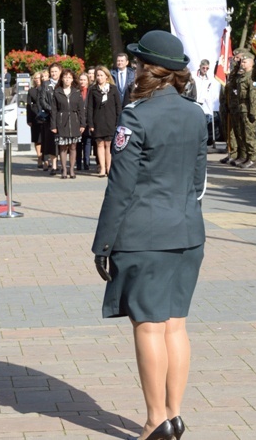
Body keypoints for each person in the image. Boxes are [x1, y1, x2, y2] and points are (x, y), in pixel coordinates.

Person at [92, 30, 207, 440]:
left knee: (148, 326)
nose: (135, 68)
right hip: (188, 231)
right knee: (176, 325)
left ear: (148, 69)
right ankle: (174, 416)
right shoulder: (196, 114)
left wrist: (102, 244)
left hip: (145, 234)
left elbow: (120, 187)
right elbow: (197, 180)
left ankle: (154, 420)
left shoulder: (136, 116)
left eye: (139, 63)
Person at [50, 69, 85, 179]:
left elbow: (81, 110)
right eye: (65, 77)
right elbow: (53, 110)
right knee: (63, 147)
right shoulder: (57, 92)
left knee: (73, 147)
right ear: (62, 79)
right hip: (62, 121)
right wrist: (53, 125)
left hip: (74, 121)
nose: (67, 79)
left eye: (69, 77)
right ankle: (64, 169)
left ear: (72, 79)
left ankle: (72, 169)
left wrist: (83, 124)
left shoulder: (76, 92)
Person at [87, 65, 121, 177]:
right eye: (98, 75)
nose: (99, 77)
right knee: (100, 144)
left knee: (109, 144)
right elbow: (90, 108)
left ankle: (109, 168)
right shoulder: (93, 90)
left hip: (111, 121)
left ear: (107, 76)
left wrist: (118, 121)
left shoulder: (113, 89)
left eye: (102, 75)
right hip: (98, 121)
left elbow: (118, 107)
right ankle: (102, 168)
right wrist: (90, 123)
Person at [39, 63, 62, 175]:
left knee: (63, 141)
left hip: (63, 117)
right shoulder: (46, 84)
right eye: (52, 72)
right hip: (50, 117)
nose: (53, 73)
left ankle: (63, 164)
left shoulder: (63, 83)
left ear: (60, 72)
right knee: (52, 141)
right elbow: (42, 100)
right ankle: (54, 165)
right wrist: (52, 109)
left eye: (55, 71)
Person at [26, 71, 44, 168]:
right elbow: (28, 105)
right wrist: (28, 119)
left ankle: (46, 158)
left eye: (38, 77)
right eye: (35, 78)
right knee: (37, 139)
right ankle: (39, 158)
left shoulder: (45, 89)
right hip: (35, 116)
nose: (37, 80)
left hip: (45, 116)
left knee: (45, 138)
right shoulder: (31, 91)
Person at [76, 72, 91, 170]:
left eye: (84, 80)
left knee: (87, 142)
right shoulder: (76, 91)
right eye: (81, 79)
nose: (82, 82)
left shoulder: (91, 91)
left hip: (88, 119)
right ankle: (78, 163)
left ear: (88, 81)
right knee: (78, 142)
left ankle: (87, 162)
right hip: (77, 120)